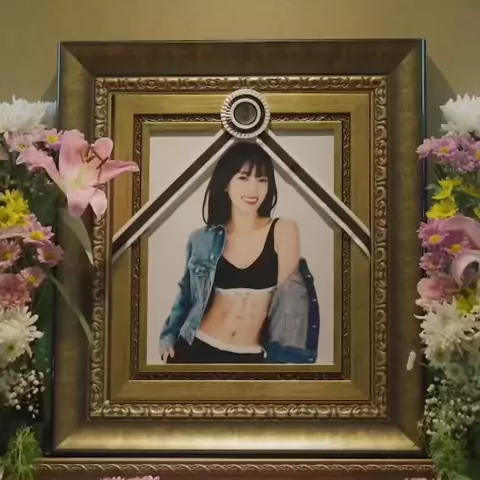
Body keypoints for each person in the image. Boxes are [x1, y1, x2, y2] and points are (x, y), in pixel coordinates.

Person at [158, 141, 320, 364]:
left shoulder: (284, 230)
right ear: (226, 184)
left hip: (249, 356)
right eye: (243, 178)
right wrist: (168, 336)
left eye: (262, 180)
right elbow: (186, 296)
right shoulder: (202, 238)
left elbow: (288, 307)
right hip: (195, 348)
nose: (253, 189)